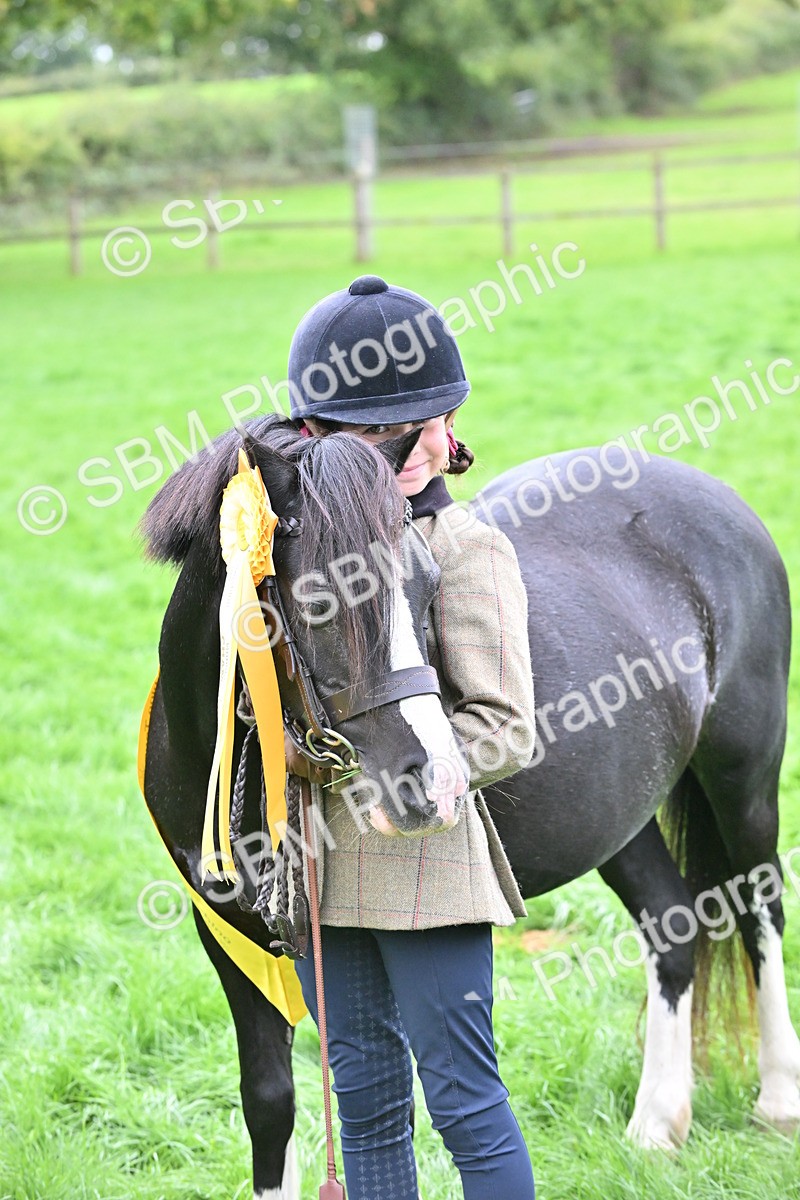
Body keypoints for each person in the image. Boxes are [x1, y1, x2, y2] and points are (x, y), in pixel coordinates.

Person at [285, 274, 537, 1200]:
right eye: (400, 427)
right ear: (325, 439)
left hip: (429, 865)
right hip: (323, 872)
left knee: (466, 1104)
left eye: (443, 419)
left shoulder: (469, 549)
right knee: (367, 1109)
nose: (431, 445)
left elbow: (505, 728)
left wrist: (378, 781)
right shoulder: (287, 550)